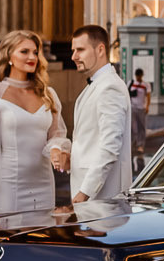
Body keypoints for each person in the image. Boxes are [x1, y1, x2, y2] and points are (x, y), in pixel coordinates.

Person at [0, 30, 69, 213]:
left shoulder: (48, 94)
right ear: (9, 56)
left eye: (35, 52)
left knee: (41, 236)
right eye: (24, 52)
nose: (32, 57)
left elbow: (56, 134)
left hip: (44, 182)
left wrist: (56, 148)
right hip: (8, 183)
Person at [56, 24, 134, 204]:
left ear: (100, 50)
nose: (73, 56)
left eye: (80, 50)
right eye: (73, 50)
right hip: (93, 199)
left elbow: (110, 146)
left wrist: (84, 193)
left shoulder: (109, 87)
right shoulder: (98, 85)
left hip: (103, 200)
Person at [128, 68, 150, 169]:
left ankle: (140, 145)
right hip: (133, 108)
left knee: (141, 127)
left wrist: (147, 106)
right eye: (137, 76)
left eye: (140, 76)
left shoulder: (146, 85)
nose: (139, 77)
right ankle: (133, 143)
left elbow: (148, 95)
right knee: (132, 127)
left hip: (141, 108)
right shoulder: (131, 83)